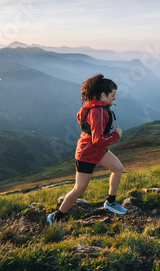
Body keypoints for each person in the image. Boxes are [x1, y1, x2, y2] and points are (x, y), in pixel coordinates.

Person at [47, 74, 126, 225]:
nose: (114, 98)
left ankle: (110, 202)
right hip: (87, 154)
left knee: (118, 168)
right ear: (103, 94)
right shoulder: (98, 111)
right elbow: (97, 139)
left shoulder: (93, 105)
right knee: (79, 190)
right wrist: (116, 135)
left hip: (97, 150)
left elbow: (81, 118)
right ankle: (56, 218)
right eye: (113, 95)